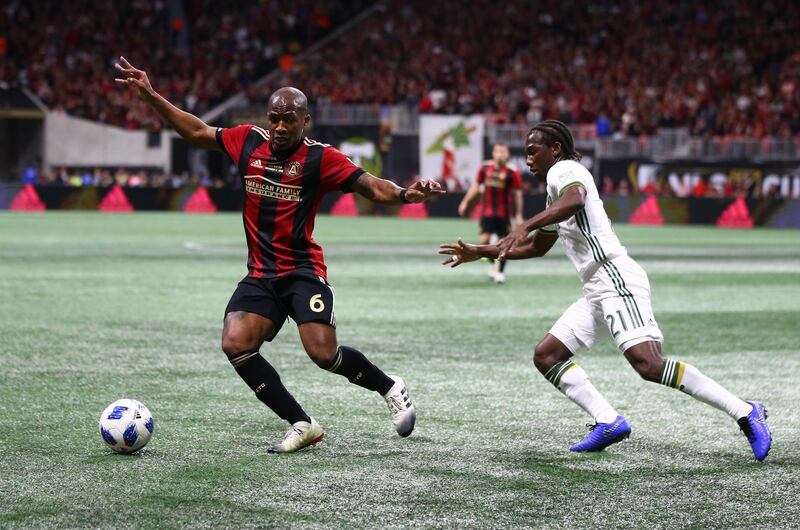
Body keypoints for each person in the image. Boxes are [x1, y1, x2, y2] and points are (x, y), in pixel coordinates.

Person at [115, 56, 444, 453]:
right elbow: (198, 131)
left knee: (323, 354)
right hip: (261, 274)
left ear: (305, 122)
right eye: (275, 118)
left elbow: (372, 187)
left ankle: (390, 387)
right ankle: (301, 423)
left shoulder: (321, 158)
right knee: (235, 343)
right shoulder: (248, 141)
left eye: (290, 120)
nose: (280, 127)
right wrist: (151, 96)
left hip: (303, 271)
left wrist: (408, 194)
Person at [439, 120, 771, 460]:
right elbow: (537, 247)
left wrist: (523, 223)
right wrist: (482, 251)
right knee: (548, 355)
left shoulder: (564, 170)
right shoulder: (555, 191)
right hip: (597, 288)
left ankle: (745, 411)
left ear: (555, 149)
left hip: (615, 278)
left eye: (532, 151)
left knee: (649, 364)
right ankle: (608, 421)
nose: (527, 160)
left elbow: (576, 200)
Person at [457, 143, 523, 283]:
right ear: (493, 153)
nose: (499, 154)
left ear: (507, 154)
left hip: (503, 214)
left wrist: (518, 215)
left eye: (502, 151)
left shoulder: (512, 171)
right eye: (497, 151)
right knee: (484, 242)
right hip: (487, 213)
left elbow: (517, 194)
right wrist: (465, 202)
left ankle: (500, 272)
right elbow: (476, 186)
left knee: (505, 244)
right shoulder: (485, 167)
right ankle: (493, 266)